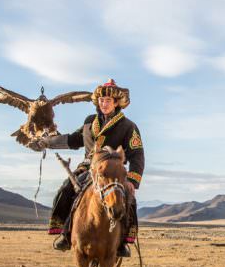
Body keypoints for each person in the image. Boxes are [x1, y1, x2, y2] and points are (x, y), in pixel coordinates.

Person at [30, 79, 144, 256]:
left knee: (130, 201)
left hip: (113, 172)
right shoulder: (89, 122)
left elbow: (137, 154)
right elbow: (74, 139)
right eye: (101, 100)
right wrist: (46, 142)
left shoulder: (129, 126)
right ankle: (66, 234)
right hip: (88, 169)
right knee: (65, 190)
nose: (103, 103)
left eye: (107, 101)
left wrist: (132, 181)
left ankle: (123, 242)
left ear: (116, 103)